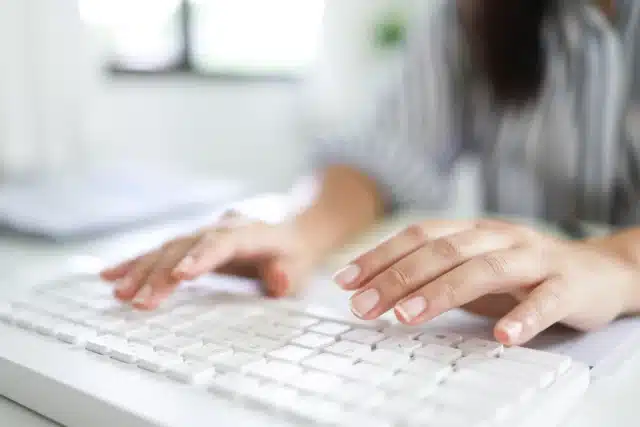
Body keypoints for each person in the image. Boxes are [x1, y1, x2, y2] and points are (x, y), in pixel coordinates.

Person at [101, 0, 640, 347]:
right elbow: (384, 154)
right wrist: (301, 233)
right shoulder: (473, 14)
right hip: (527, 339)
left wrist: (612, 262)